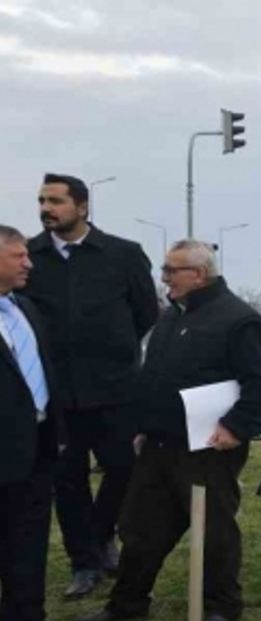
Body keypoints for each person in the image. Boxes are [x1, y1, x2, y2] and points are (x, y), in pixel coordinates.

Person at [73, 239, 261, 621]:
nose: (163, 277)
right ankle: (128, 602)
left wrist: (235, 427)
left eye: (170, 270)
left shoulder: (238, 319)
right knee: (139, 528)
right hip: (159, 446)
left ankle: (223, 606)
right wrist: (143, 425)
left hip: (208, 450)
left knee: (213, 529)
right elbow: (155, 376)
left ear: (198, 274)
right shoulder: (171, 317)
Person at [23, 174, 159, 599]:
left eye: (56, 201)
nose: (47, 208)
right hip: (58, 395)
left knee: (124, 468)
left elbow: (145, 314)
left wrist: (113, 349)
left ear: (81, 207)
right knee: (67, 480)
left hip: (116, 389)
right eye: (43, 201)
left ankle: (102, 536)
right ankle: (84, 563)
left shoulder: (122, 255)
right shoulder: (31, 257)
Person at [0, 225, 83, 621]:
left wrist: (59, 432)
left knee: (28, 546)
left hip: (35, 450)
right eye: (19, 256)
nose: (29, 262)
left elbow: (45, 372)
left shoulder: (26, 310)